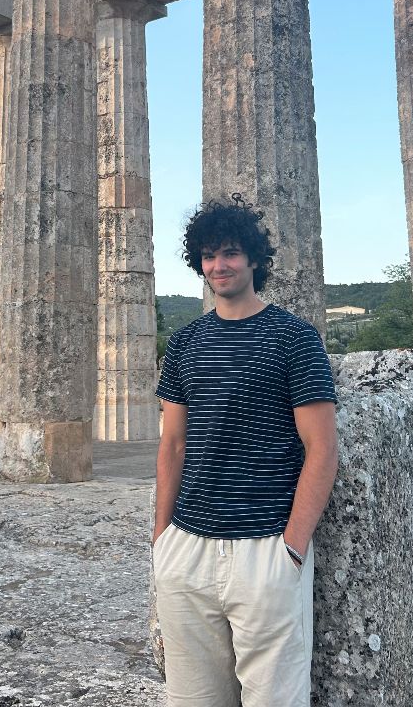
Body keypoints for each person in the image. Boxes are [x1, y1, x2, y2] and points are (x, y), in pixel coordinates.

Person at [153, 195, 338, 707]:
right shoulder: (185, 342)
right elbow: (173, 442)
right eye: (209, 255)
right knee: (192, 700)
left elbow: (321, 447)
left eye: (230, 252)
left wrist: (293, 550)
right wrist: (161, 539)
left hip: (264, 551)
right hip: (187, 549)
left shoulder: (295, 338)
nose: (219, 265)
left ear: (254, 258)